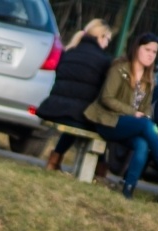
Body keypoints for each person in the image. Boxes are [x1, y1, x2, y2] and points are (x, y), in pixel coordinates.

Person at [84, 32, 158, 199]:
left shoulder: (149, 78)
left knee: (142, 143)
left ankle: (128, 189)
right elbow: (106, 98)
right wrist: (134, 113)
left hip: (128, 125)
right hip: (107, 121)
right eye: (147, 50)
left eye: (154, 52)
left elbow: (145, 108)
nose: (151, 55)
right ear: (137, 48)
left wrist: (143, 115)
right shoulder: (119, 69)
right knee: (145, 126)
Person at [36, 19, 113, 175]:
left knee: (75, 117)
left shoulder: (69, 51)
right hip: (75, 113)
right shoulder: (103, 60)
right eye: (108, 40)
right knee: (103, 126)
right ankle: (100, 171)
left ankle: (55, 159)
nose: (108, 44)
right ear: (101, 36)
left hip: (53, 108)